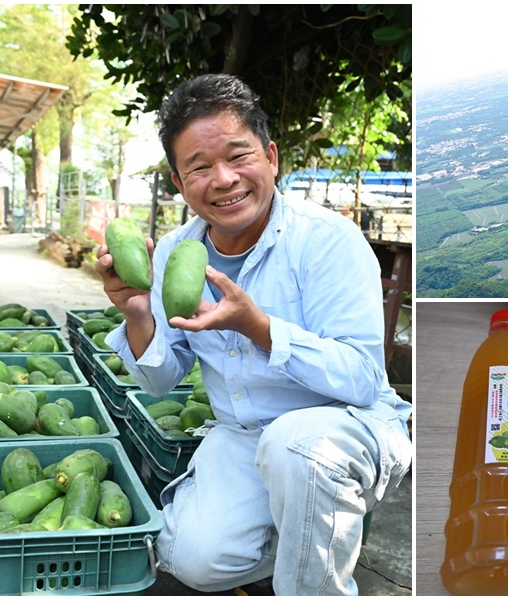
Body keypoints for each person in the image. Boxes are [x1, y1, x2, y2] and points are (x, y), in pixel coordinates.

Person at [95, 73, 413, 595]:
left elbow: (361, 379)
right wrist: (136, 313)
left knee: (297, 447)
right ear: (179, 182)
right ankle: (304, 534)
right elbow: (159, 382)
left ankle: (319, 574)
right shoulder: (177, 251)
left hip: (347, 427)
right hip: (244, 438)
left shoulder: (327, 241)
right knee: (190, 560)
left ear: (271, 157)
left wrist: (258, 326)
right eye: (199, 167)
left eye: (238, 157)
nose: (222, 179)